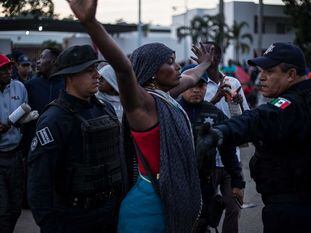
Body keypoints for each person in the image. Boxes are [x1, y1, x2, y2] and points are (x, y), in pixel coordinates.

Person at [67, 1, 237, 232]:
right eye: (169, 62)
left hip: (161, 198)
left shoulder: (163, 96)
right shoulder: (141, 105)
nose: (177, 66)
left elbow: (191, 76)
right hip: (148, 208)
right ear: (151, 71)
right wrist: (91, 23)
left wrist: (206, 63)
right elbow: (124, 69)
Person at [199, 42, 311, 233]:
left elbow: (259, 117)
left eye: (269, 71)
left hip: (291, 210)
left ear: (291, 74)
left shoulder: (292, 103)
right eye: (260, 71)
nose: (261, 77)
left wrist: (220, 133)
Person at [27, 45, 125, 233]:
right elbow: (39, 182)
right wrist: (50, 225)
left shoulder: (105, 109)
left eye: (96, 69)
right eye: (89, 70)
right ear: (69, 76)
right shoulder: (54, 119)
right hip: (73, 218)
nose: (97, 75)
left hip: (109, 214)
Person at [178, 64, 245, 233]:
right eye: (191, 85)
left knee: (203, 223)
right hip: (178, 184)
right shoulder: (172, 110)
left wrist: (237, 181)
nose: (196, 90)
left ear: (206, 87)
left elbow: (228, 149)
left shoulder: (214, 113)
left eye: (201, 86)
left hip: (206, 183)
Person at [203, 42, 249, 233]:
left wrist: (238, 102)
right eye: (205, 54)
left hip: (231, 158)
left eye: (213, 54)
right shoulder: (196, 84)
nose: (209, 58)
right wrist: (214, 100)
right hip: (206, 160)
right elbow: (193, 115)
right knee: (205, 211)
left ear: (220, 57)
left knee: (233, 208)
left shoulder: (234, 82)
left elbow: (247, 115)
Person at [0, 54, 28, 233]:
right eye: (3, 69)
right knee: (2, 209)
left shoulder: (19, 87)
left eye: (9, 67)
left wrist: (20, 120)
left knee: (16, 206)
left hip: (15, 155)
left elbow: (25, 113)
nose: (8, 71)